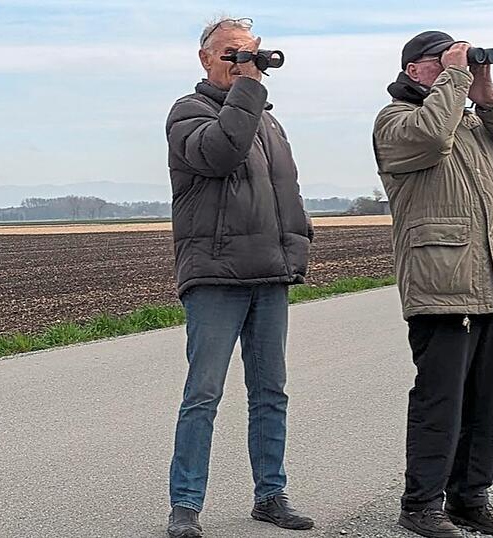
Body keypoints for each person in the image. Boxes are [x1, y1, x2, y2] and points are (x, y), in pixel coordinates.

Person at [372, 30, 493, 538]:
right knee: (439, 403)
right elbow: (430, 137)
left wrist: (487, 95)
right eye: (440, 61)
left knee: (482, 404)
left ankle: (470, 499)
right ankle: (420, 504)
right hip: (441, 287)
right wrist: (457, 76)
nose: (455, 67)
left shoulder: (471, 122)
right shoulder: (396, 121)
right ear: (412, 70)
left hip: (491, 281)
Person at [164, 16, 314, 538]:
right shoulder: (189, 112)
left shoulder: (268, 123)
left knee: (271, 391)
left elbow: (285, 195)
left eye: (250, 53)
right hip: (215, 277)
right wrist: (249, 86)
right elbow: (221, 152)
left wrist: (298, 248)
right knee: (203, 394)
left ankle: (270, 495)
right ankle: (185, 507)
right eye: (231, 53)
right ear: (205, 59)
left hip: (269, 276)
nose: (243, 62)